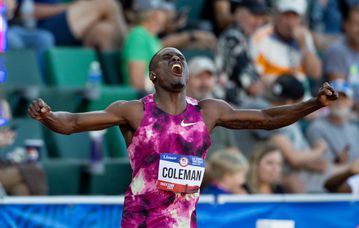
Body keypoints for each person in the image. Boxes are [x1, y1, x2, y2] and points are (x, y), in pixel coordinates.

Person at [28, 47, 337, 227]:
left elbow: (267, 119)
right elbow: (74, 123)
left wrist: (314, 103)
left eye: (181, 59)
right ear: (153, 76)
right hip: (141, 222)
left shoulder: (208, 111)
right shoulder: (134, 112)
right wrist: (49, 116)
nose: (177, 60)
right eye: (167, 59)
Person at [121, 0, 216, 92]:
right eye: (164, 12)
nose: (167, 16)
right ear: (155, 14)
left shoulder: (150, 37)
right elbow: (137, 84)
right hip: (149, 101)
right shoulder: (138, 36)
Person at [250, 0, 322, 87]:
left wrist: (304, 46)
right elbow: (255, 79)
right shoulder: (260, 37)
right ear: (277, 14)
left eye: (295, 16)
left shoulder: (304, 37)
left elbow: (316, 73)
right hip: (273, 95)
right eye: (286, 15)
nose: (290, 23)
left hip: (302, 97)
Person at [216, 0, 267, 105]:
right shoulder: (233, 37)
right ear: (239, 13)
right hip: (228, 101)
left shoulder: (247, 39)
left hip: (240, 101)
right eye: (254, 15)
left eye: (261, 17)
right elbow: (253, 88)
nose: (258, 22)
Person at [186, 56, 237, 157]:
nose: (204, 83)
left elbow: (232, 148)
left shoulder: (219, 108)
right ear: (187, 80)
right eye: (199, 77)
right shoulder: (176, 108)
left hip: (221, 166)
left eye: (208, 78)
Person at [33, 0, 128, 51]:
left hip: (68, 25)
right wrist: (68, 8)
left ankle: (112, 82)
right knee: (107, 3)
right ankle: (132, 47)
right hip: (40, 29)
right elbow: (25, 12)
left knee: (104, 31)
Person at [307, 80, 359, 166]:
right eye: (335, 98)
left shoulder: (354, 128)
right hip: (337, 176)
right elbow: (324, 166)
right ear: (327, 101)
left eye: (344, 98)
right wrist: (337, 161)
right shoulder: (316, 128)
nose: (339, 102)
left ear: (351, 102)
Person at [323, 5, 359, 105]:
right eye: (356, 24)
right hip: (341, 113)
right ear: (345, 25)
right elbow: (339, 97)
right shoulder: (337, 51)